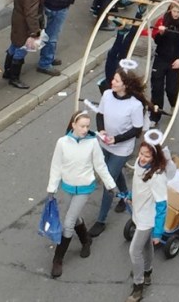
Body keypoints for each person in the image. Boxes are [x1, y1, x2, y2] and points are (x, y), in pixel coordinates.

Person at [46, 110, 117, 279]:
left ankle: (58, 259)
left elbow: (100, 166)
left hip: (84, 188)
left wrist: (110, 185)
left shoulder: (93, 143)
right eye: (82, 126)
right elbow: (56, 166)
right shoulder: (62, 143)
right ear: (73, 125)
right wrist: (52, 188)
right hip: (68, 186)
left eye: (87, 126)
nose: (85, 129)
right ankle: (86, 240)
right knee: (74, 216)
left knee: (68, 222)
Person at [88, 62, 148, 238]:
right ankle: (124, 196)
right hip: (105, 143)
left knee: (108, 180)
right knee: (113, 172)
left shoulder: (135, 105)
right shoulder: (107, 95)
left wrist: (116, 139)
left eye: (116, 80)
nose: (112, 82)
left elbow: (136, 130)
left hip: (121, 148)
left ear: (125, 85)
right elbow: (100, 114)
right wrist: (102, 131)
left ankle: (101, 220)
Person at [124, 130, 169, 302]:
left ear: (155, 158)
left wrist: (158, 232)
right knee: (146, 247)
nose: (142, 158)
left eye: (147, 156)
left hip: (147, 218)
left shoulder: (157, 176)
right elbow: (137, 184)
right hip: (138, 211)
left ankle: (138, 286)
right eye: (141, 154)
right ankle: (148, 271)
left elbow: (162, 205)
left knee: (134, 251)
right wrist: (131, 195)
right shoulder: (138, 163)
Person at [148, 2, 179, 125]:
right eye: (174, 11)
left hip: (175, 61)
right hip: (161, 58)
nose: (176, 14)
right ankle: (155, 116)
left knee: (172, 89)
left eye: (178, 12)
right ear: (169, 11)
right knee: (156, 88)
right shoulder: (163, 21)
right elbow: (156, 40)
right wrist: (160, 34)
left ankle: (173, 103)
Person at [3, 0, 44, 90]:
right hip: (25, 25)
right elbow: (31, 14)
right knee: (22, 48)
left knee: (14, 45)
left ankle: (7, 71)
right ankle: (14, 78)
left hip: (17, 20)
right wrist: (35, 31)